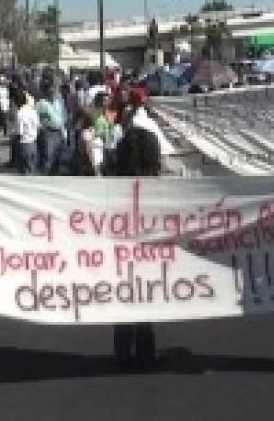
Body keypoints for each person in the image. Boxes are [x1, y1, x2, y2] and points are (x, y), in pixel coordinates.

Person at [112, 126, 162, 369]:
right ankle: (146, 354)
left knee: (123, 303)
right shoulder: (160, 190)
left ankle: (122, 354)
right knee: (145, 304)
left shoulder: (109, 189)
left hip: (119, 258)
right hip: (148, 258)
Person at [36, 81, 66, 175]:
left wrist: (64, 132)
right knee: (48, 158)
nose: (54, 91)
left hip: (59, 132)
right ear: (46, 90)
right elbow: (40, 119)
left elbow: (62, 116)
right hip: (48, 133)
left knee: (57, 158)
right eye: (52, 88)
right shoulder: (41, 104)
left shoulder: (58, 102)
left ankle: (54, 177)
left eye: (55, 89)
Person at [14, 89, 39, 175]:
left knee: (25, 171)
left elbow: (20, 132)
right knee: (32, 169)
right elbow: (37, 125)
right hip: (34, 143)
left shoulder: (20, 113)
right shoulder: (33, 111)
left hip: (24, 143)